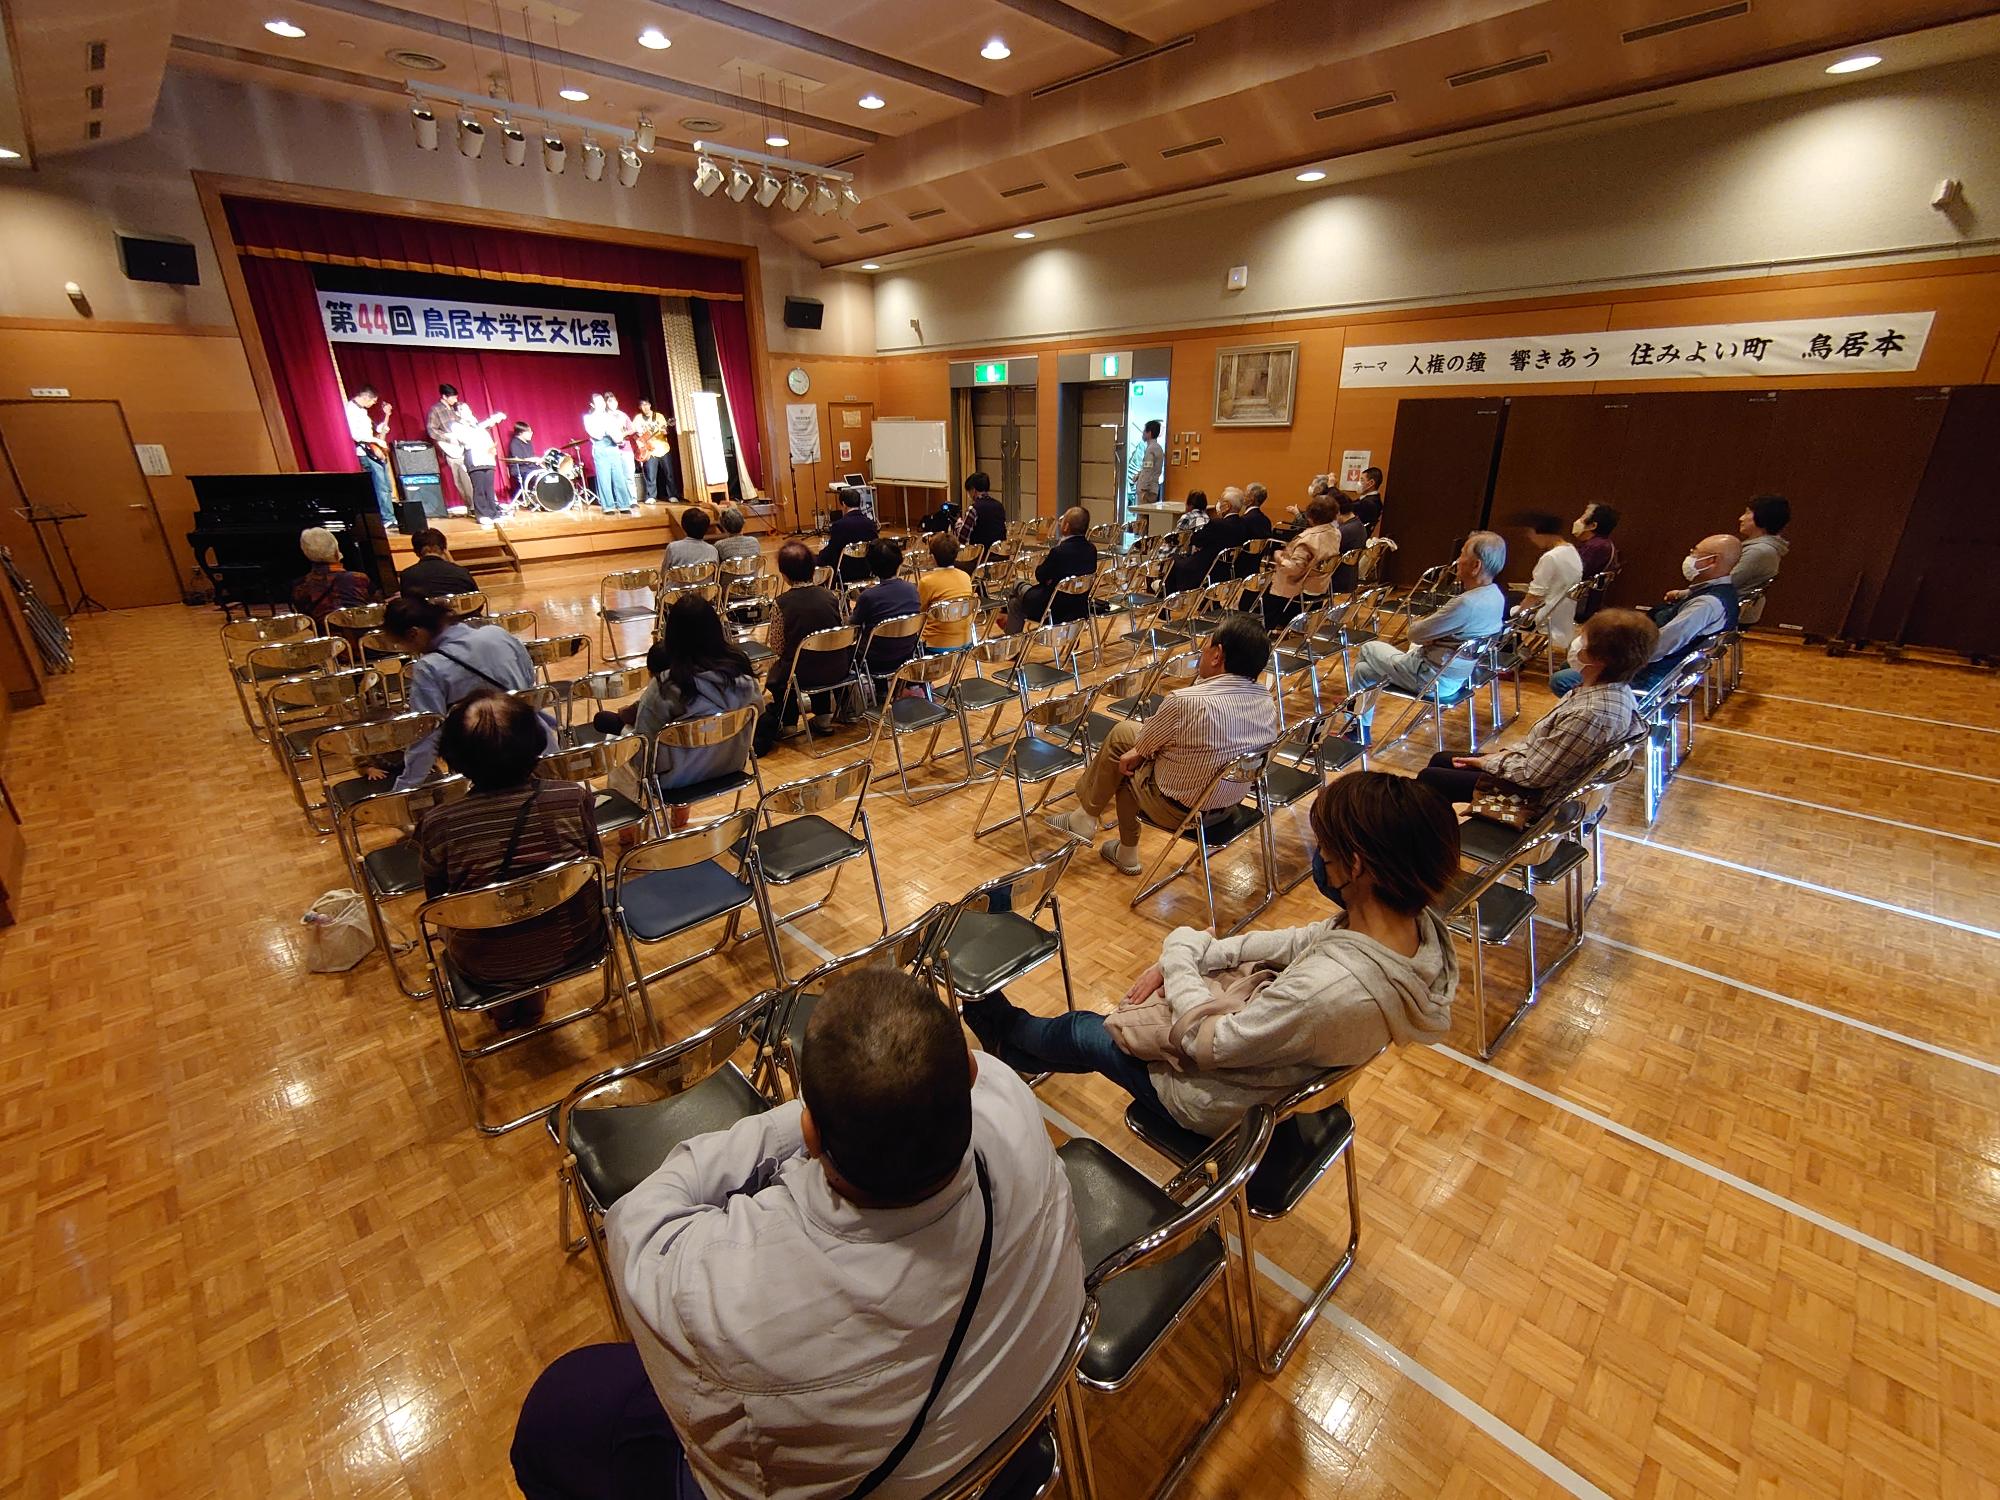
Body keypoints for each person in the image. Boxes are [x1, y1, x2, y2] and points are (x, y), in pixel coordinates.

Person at [513, 968, 1085, 1500]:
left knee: (556, 1410)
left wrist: (821, 1114)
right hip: (1005, 1432)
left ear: (811, 1134)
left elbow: (636, 1217)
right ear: (969, 1072)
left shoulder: (730, 1296)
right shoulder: (1010, 1103)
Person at [970, 772, 1459, 1136]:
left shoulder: (1328, 991)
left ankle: (1002, 1031)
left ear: (1355, 865)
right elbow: (1294, 942)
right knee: (1119, 1017)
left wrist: (1180, 953)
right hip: (1271, 1068)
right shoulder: (1407, 931)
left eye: (1324, 847)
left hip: (1217, 1100)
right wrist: (1202, 953)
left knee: (1083, 1030)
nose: (1318, 855)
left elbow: (1213, 1043)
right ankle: (1017, 1049)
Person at [417, 690, 602, 1029]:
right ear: (536, 746)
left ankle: (504, 1006)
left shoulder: (438, 823)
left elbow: (438, 904)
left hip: (485, 962)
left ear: (454, 758)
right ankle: (534, 998)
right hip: (577, 939)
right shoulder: (573, 796)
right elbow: (595, 867)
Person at [1048, 614, 1278, 874]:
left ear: (1217, 655)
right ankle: (1086, 819)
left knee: (1126, 764)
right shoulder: (1266, 701)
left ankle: (1116, 844)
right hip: (1229, 804)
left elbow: (1145, 744)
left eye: (1207, 644)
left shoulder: (1186, 701)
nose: (1202, 650)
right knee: (1128, 742)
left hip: (1183, 810)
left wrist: (1138, 753)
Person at [1417, 608, 1656, 807]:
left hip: (1535, 799)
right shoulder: (1609, 690)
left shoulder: (1592, 713)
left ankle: (1430, 846)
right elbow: (1542, 749)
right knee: (1442, 760)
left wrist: (1487, 762)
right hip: (1539, 773)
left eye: (1583, 641)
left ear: (1599, 659)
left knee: (1432, 779)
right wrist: (1503, 755)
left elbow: (1534, 775)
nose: (1576, 644)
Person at [592, 597, 760, 827]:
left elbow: (644, 752)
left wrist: (621, 729)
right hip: (731, 767)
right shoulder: (743, 679)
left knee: (619, 744)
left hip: (673, 781)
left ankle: (627, 830)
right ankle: (680, 816)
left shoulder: (664, 686)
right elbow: (754, 721)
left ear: (671, 636)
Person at [1345, 531, 1507, 740]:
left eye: (1462, 554)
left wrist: (1434, 637)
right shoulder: (1496, 596)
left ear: (1475, 566)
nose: (1457, 560)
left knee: (1368, 648)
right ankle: (1358, 729)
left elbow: (1414, 633)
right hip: (1457, 676)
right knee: (1364, 671)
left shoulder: (1466, 603)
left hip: (1428, 678)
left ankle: (1353, 720)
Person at [385, 595, 548, 791]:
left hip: (489, 768)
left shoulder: (428, 667)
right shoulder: (497, 633)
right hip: (538, 746)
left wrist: (404, 787)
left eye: (400, 644)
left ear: (413, 634)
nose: (403, 650)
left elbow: (427, 733)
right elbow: (529, 682)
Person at [1551, 533, 1741, 697]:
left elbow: (1662, 646)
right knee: (1570, 664)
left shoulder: (1706, 604)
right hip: (1662, 664)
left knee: (1563, 679)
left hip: (1654, 674)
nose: (1690, 557)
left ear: (1711, 561)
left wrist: (1612, 661)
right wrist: (1683, 594)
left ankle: (1596, 717)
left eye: (1695, 552)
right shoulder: (1720, 592)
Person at [755, 541, 847, 753]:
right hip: (836, 667)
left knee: (779, 674)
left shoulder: (781, 603)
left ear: (784, 575)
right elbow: (840, 630)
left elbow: (778, 646)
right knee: (818, 657)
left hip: (801, 673)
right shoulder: (831, 596)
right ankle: (824, 717)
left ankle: (788, 724)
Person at [1010, 506, 1097, 629]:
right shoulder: (1091, 549)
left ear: (1066, 526)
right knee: (1015, 603)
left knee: (1016, 587)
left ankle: (1010, 639)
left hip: (1053, 608)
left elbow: (1040, 575)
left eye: (1062, 521)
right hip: (1079, 607)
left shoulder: (1059, 551)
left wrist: (1041, 564)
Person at [850, 537, 922, 682]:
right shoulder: (912, 590)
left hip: (875, 660)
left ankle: (878, 691)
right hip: (908, 654)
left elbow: (853, 626)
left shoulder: (868, 596)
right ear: (899, 562)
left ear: (871, 567)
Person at [1264, 495, 1341, 627]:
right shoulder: (1336, 533)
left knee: (1263, 593)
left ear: (1310, 516)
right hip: (1320, 585)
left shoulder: (1307, 539)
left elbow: (1293, 569)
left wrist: (1278, 557)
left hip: (1299, 589)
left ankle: (1268, 629)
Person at [1514, 511, 1584, 653]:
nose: (1531, 539)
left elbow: (1534, 595)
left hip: (1547, 615)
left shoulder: (1550, 557)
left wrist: (1518, 616)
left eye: (1531, 535)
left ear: (1539, 533)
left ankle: (1510, 654)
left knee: (1503, 605)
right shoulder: (1571, 551)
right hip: (1563, 613)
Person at [1165, 486, 1248, 594]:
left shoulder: (1217, 524)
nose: (1218, 503)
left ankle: (1167, 597)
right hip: (1225, 569)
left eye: (1221, 501)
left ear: (1227, 506)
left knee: (1173, 559)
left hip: (1204, 568)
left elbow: (1196, 539)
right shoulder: (1244, 524)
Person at [291, 527, 373, 625]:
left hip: (330, 638)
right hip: (363, 637)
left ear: (306, 553)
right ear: (336, 550)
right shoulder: (358, 578)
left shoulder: (300, 587)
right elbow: (377, 609)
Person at [1729, 494, 1790, 624]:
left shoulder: (1760, 551)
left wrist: (1681, 594)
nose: (1741, 518)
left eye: (1747, 513)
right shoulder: (1760, 548)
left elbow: (1726, 584)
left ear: (1762, 517)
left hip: (1728, 609)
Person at [345, 384, 397, 529]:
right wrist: (376, 440)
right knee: (380, 486)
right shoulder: (351, 410)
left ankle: (389, 516)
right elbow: (357, 435)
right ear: (366, 397)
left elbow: (370, 431)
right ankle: (387, 518)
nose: (373, 403)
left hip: (372, 449)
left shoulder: (361, 411)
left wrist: (383, 423)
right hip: (366, 452)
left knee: (386, 486)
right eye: (373, 401)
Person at [448, 398, 506, 526]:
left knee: (489, 488)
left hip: (487, 457)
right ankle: (482, 515)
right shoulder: (457, 426)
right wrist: (487, 422)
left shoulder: (476, 425)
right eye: (463, 410)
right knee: (479, 488)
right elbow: (467, 439)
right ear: (457, 413)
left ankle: (494, 513)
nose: (467, 412)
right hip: (474, 458)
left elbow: (484, 437)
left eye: (468, 409)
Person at [919, 532, 975, 648]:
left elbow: (920, 614)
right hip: (966, 640)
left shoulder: (927, 582)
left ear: (932, 557)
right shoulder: (965, 577)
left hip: (935, 644)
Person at [425, 384, 475, 515]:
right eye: (452, 397)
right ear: (444, 397)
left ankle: (477, 504)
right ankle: (471, 507)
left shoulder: (456, 409)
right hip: (452, 449)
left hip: (464, 446)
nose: (455, 400)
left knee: (470, 476)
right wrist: (448, 439)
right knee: (461, 479)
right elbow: (431, 430)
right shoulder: (435, 410)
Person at [1570, 502, 1620, 624]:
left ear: (1592, 525)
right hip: (1587, 603)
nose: (1578, 521)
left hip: (1578, 604)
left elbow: (1574, 575)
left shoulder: (1595, 547)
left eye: (1583, 517)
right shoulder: (1603, 544)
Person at [586, 393, 636, 515]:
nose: (602, 404)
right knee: (604, 478)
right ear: (592, 404)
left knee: (619, 477)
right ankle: (608, 506)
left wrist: (617, 437)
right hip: (601, 448)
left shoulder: (609, 416)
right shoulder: (589, 418)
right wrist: (609, 431)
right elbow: (596, 434)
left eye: (602, 402)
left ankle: (624, 504)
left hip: (613, 448)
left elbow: (618, 435)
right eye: (598, 402)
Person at [820, 486, 880, 580]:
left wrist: (821, 551)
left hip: (845, 573)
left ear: (843, 504)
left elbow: (831, 553)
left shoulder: (839, 525)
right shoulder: (870, 523)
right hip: (867, 570)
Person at [398, 528, 477, 600]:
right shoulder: (461, 572)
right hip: (462, 615)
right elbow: (477, 601)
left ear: (416, 552)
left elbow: (408, 605)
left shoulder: (407, 575)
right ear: (444, 550)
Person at [632, 398, 676, 502]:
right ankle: (651, 496)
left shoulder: (658, 416)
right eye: (642, 405)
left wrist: (664, 430)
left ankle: (672, 495)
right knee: (650, 475)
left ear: (650, 405)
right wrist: (639, 442)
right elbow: (634, 433)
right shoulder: (638, 418)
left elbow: (666, 431)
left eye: (647, 404)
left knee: (669, 473)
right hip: (649, 450)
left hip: (663, 448)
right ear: (639, 407)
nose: (645, 407)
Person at [1328, 493, 1370, 594]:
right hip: (1350, 577)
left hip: (1336, 580)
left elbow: (1325, 553)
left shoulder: (1343, 531)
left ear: (1336, 512)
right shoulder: (1359, 525)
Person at [956, 471, 1008, 548]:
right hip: (1000, 555)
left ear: (973, 490)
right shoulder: (999, 506)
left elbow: (962, 538)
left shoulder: (974, 509)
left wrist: (958, 525)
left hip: (980, 556)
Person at [1131, 418, 1165, 515]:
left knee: (1142, 520)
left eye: (1144, 431)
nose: (1142, 433)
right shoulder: (1158, 448)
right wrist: (1138, 475)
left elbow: (1148, 470)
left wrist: (1144, 489)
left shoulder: (1151, 449)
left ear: (1149, 433)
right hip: (1153, 488)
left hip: (1147, 491)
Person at [504, 421, 539, 500]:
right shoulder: (514, 443)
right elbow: (519, 460)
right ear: (521, 433)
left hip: (531, 467)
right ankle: (532, 498)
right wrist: (532, 460)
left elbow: (530, 458)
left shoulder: (529, 443)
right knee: (535, 475)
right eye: (529, 432)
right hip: (520, 469)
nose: (531, 433)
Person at [1349, 467, 1386, 537]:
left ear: (1371, 483)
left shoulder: (1368, 503)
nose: (1359, 483)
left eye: (1362, 480)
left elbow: (1349, 507)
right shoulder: (1372, 499)